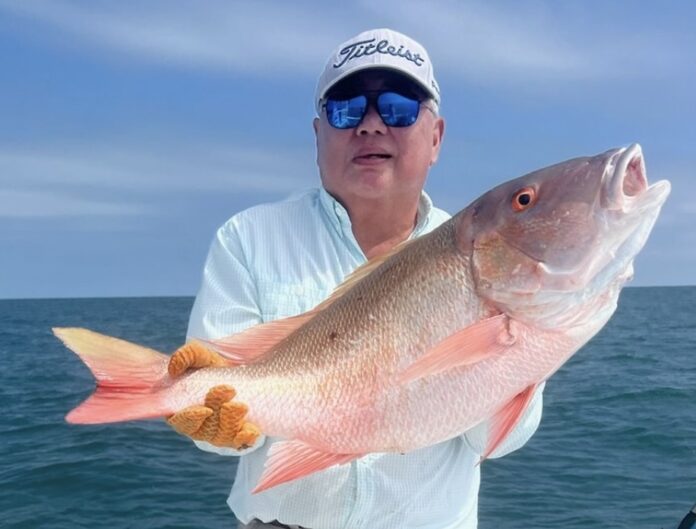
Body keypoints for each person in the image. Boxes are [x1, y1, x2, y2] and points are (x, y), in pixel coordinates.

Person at [167, 28, 545, 529]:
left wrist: (510, 341)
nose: (370, 125)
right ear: (318, 134)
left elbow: (501, 441)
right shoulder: (248, 238)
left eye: (397, 107)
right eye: (346, 108)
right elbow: (216, 418)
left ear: (435, 137)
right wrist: (212, 422)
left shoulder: (486, 257)